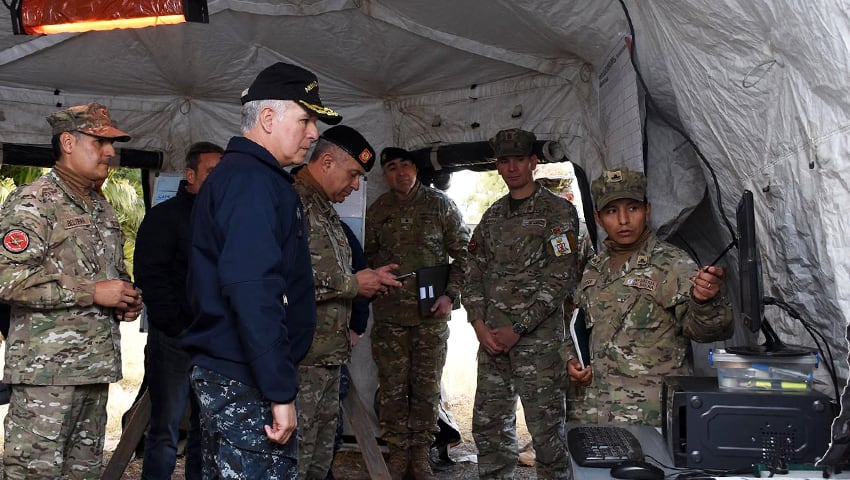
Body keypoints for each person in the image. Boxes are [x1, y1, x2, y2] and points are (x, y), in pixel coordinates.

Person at [182, 62, 341, 478]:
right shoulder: (251, 181)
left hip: (236, 371)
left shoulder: (251, 177)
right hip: (245, 377)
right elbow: (253, 290)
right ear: (268, 118)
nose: (314, 134)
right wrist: (279, 390)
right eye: (305, 120)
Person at [0, 102, 143, 479]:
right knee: (35, 472)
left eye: (112, 144)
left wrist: (125, 298)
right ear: (67, 141)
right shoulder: (34, 202)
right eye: (100, 142)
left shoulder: (101, 207)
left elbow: (111, 276)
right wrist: (92, 292)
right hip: (47, 375)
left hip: (93, 369)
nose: (110, 152)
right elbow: (7, 278)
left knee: (83, 472)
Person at [566, 168, 734, 426]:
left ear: (648, 210)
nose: (623, 220)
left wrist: (704, 301)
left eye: (632, 208)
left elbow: (707, 332)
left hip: (649, 418)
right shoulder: (594, 267)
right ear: (598, 218)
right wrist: (572, 361)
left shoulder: (672, 264)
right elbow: (577, 328)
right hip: (593, 413)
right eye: (612, 211)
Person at [465, 128, 580, 480]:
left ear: (533, 162)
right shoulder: (492, 217)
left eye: (519, 159)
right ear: (497, 166)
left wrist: (518, 328)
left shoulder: (557, 213)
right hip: (492, 345)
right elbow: (473, 273)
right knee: (488, 429)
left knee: (547, 436)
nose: (512, 167)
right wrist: (479, 324)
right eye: (504, 160)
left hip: (538, 346)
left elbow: (560, 278)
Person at [292, 125, 401, 479]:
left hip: (325, 361)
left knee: (319, 458)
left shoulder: (323, 210)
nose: (356, 186)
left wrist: (366, 281)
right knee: (296, 459)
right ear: (326, 162)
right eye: (353, 174)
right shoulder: (292, 203)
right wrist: (354, 283)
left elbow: (330, 270)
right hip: (299, 363)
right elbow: (281, 281)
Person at [364, 146, 471, 480]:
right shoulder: (378, 211)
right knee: (393, 389)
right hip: (390, 318)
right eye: (392, 167)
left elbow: (465, 256)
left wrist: (450, 296)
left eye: (406, 165)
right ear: (384, 175)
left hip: (431, 319)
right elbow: (363, 259)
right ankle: (398, 454)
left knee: (426, 389)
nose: (400, 172)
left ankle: (421, 456)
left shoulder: (440, 205)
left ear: (416, 169)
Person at [134, 141, 223, 480]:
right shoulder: (164, 217)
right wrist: (175, 326)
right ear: (190, 174)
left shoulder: (225, 219)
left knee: (207, 428)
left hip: (214, 340)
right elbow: (150, 277)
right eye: (212, 173)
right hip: (174, 339)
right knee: (165, 430)